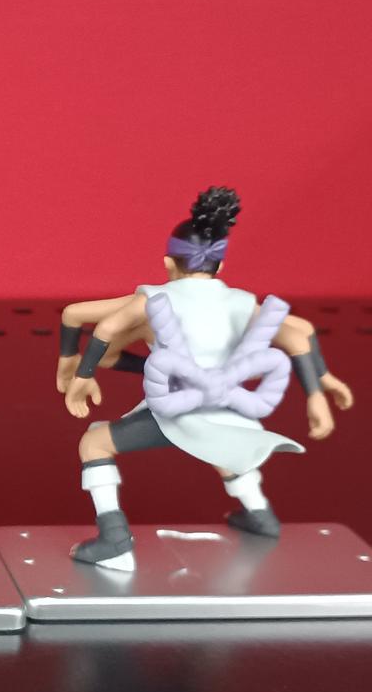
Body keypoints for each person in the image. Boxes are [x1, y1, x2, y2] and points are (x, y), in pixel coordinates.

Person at [58, 187, 354, 569]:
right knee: (223, 445)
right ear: (221, 265)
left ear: (168, 262)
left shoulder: (154, 298)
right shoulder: (242, 301)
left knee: (94, 443)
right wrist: (318, 386)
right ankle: (260, 515)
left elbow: (98, 324)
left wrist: (80, 371)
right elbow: (300, 333)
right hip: (229, 405)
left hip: (178, 409)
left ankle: (114, 542)